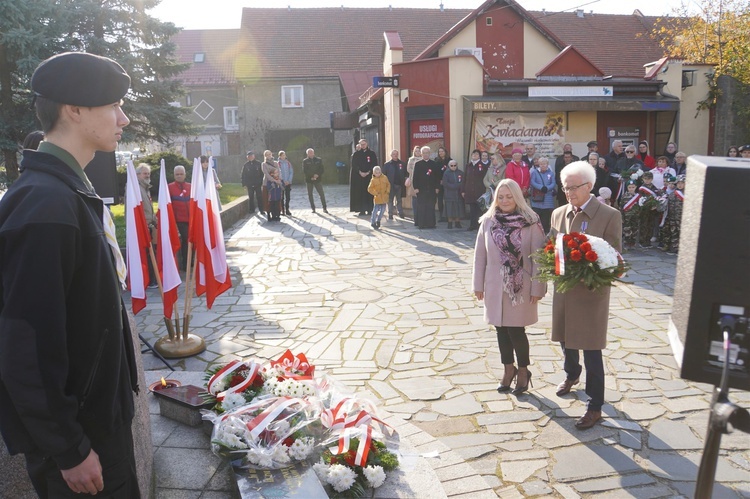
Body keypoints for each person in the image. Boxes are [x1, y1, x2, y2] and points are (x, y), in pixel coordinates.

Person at [0, 51, 140, 497]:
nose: (125, 117)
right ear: (74, 110)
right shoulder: (46, 206)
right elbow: (26, 346)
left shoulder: (64, 192)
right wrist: (70, 449)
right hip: (82, 446)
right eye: (113, 105)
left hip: (96, 429)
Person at [550, 161, 622, 430]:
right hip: (565, 291)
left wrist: (589, 267)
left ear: (589, 186)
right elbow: (552, 247)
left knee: (591, 350)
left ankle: (595, 405)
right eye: (565, 187)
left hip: (592, 293)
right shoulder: (559, 213)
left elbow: (615, 255)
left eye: (574, 187)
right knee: (566, 340)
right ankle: (571, 375)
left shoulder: (608, 215)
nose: (569, 192)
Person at [473, 179, 546, 396]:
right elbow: (480, 256)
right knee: (500, 329)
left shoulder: (531, 221)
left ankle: (523, 371)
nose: (505, 201)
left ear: (517, 197)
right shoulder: (488, 221)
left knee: (516, 330)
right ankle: (508, 369)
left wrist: (537, 288)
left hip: (521, 286)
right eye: (500, 197)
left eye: (509, 196)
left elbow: (539, 259)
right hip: (495, 284)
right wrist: (478, 284)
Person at [135, 163, 157, 288]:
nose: (147, 175)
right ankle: (150, 280)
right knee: (148, 254)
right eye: (145, 173)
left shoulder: (145, 187)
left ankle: (152, 279)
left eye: (148, 173)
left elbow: (148, 208)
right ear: (138, 175)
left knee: (151, 253)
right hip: (142, 226)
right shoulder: (136, 188)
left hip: (149, 225)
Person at [168, 165, 191, 271]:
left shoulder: (191, 186)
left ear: (185, 175)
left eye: (181, 174)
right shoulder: (170, 187)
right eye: (177, 174)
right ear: (174, 175)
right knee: (185, 241)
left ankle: (191, 261)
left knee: (192, 241)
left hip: (191, 220)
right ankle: (186, 263)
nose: (179, 176)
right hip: (179, 221)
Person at [412, 146, 440, 229]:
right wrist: (415, 187)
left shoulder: (434, 164)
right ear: (421, 154)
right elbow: (415, 177)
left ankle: (431, 224)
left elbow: (437, 177)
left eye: (427, 153)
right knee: (421, 207)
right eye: (424, 153)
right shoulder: (418, 164)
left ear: (430, 154)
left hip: (432, 189)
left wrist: (437, 187)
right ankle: (421, 224)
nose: (425, 154)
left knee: (431, 206)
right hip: (421, 189)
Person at [659, 175, 685, 255]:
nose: (680, 185)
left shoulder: (687, 194)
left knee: (681, 233)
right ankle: (674, 247)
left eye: (682, 183)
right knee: (673, 232)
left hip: (681, 218)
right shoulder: (673, 194)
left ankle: (682, 249)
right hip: (672, 217)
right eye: (678, 183)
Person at [529, 157, 556, 233]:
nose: (543, 165)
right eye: (541, 164)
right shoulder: (534, 172)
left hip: (548, 200)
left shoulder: (551, 173)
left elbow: (553, 183)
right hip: (537, 199)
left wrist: (547, 188)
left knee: (546, 221)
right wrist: (541, 187)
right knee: (536, 220)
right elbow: (532, 182)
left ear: (547, 164)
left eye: (544, 164)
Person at [350, 138, 376, 216]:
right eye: (361, 144)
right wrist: (360, 172)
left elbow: (374, 164)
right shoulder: (356, 154)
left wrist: (368, 172)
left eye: (364, 144)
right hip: (359, 177)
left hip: (369, 177)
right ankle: (361, 210)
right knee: (360, 193)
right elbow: (354, 165)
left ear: (367, 144)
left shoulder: (372, 153)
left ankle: (369, 209)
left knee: (369, 193)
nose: (363, 146)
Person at [462, 149, 486, 231]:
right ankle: (472, 225)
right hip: (470, 191)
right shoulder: (468, 165)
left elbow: (484, 178)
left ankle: (479, 225)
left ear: (479, 156)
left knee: (479, 209)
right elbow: (464, 178)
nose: (474, 155)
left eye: (476, 154)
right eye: (473, 154)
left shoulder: (482, 165)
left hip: (479, 191)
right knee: (472, 209)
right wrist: (463, 190)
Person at [636, 170, 662, 248]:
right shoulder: (641, 188)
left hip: (652, 210)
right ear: (643, 179)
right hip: (644, 210)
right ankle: (642, 241)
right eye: (645, 179)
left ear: (652, 179)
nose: (647, 180)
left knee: (651, 225)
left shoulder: (654, 188)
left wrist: (656, 205)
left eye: (649, 179)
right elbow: (639, 198)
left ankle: (648, 241)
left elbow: (658, 197)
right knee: (644, 225)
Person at [302, 148, 328, 214]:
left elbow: (321, 169)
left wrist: (317, 175)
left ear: (313, 153)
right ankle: (313, 208)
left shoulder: (319, 160)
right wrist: (312, 176)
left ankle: (324, 208)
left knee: (321, 194)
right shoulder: (305, 161)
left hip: (318, 179)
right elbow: (305, 170)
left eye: (311, 152)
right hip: (309, 180)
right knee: (310, 195)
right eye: (309, 153)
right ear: (307, 154)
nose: (310, 154)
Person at [382, 149, 406, 219]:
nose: (395, 155)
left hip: (399, 185)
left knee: (399, 200)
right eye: (394, 154)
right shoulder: (387, 164)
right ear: (391, 155)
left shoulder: (402, 164)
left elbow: (405, 174)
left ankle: (400, 213)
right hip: (390, 185)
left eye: (396, 154)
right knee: (390, 200)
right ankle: (390, 214)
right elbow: (384, 175)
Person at [441, 159, 464, 228]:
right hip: (449, 193)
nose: (453, 167)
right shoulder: (446, 173)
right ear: (449, 166)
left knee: (458, 208)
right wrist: (454, 186)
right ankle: (450, 223)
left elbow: (463, 182)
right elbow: (445, 183)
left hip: (458, 194)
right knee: (449, 209)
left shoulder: (460, 173)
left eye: (455, 165)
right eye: (451, 165)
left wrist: (458, 186)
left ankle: (457, 222)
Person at [619, 179, 640, 251]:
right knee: (627, 231)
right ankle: (626, 244)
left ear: (636, 187)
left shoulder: (638, 196)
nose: (631, 189)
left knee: (635, 230)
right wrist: (621, 217)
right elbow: (621, 207)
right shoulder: (624, 196)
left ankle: (632, 244)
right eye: (629, 187)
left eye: (633, 187)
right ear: (627, 188)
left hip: (636, 216)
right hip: (626, 217)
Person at [261, 150, 279, 215]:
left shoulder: (276, 163)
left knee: (276, 198)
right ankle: (269, 213)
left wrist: (277, 179)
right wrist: (273, 179)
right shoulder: (263, 164)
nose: (268, 156)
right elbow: (266, 174)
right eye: (267, 155)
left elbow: (278, 171)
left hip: (276, 182)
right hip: (267, 183)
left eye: (269, 154)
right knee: (267, 199)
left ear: (271, 154)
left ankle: (276, 212)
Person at [435, 147, 451, 222]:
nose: (441, 153)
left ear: (445, 152)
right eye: (439, 151)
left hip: (448, 183)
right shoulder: (436, 161)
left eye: (442, 151)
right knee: (440, 200)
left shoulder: (450, 160)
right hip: (439, 184)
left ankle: (448, 216)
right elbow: (436, 173)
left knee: (448, 199)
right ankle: (441, 216)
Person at [404, 145, 420, 216]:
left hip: (422, 181)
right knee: (414, 198)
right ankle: (415, 214)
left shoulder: (423, 159)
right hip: (413, 179)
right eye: (416, 151)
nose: (417, 152)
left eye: (418, 151)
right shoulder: (411, 159)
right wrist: (415, 173)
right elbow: (408, 169)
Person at [277, 150, 294, 216]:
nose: (284, 156)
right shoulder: (278, 164)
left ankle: (287, 209)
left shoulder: (288, 163)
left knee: (288, 197)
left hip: (288, 183)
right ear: (280, 156)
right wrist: (283, 180)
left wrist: (289, 180)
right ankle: (282, 210)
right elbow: (278, 173)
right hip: (281, 183)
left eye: (284, 155)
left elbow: (291, 172)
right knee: (281, 197)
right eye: (282, 155)